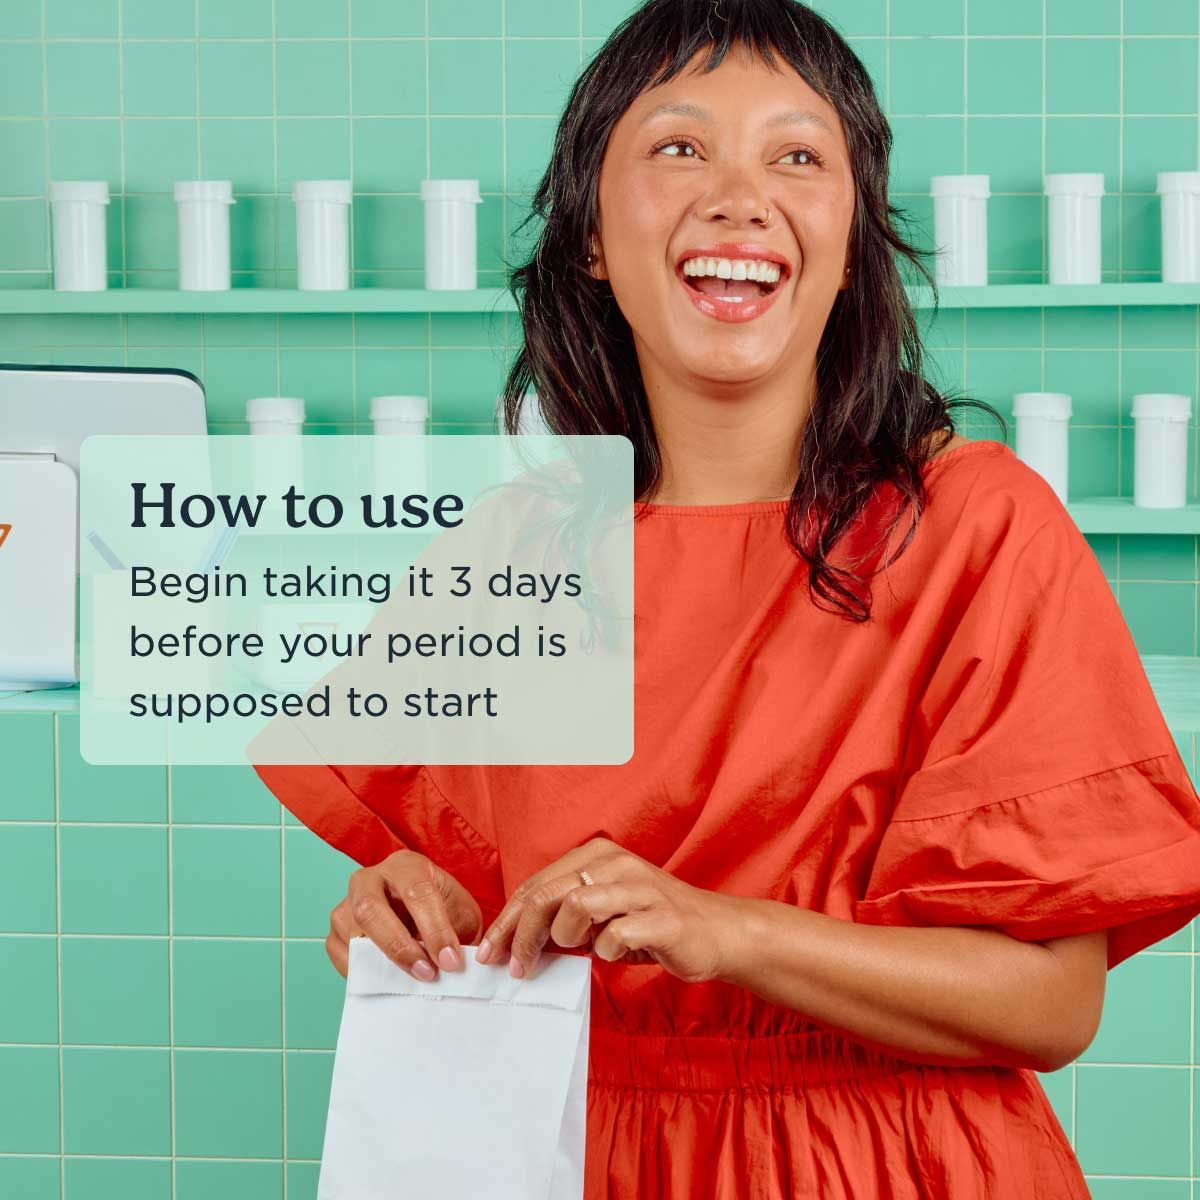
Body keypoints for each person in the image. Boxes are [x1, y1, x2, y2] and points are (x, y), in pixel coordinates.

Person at [253, 1, 1200, 1195]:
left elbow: (1053, 1002)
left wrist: (726, 931)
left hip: (884, 1168)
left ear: (850, 238)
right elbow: (475, 906)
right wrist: (402, 915)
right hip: (569, 1156)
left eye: (797, 157)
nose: (740, 197)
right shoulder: (510, 548)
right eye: (679, 147)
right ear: (592, 237)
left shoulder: (978, 527)